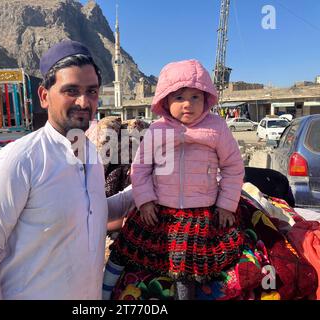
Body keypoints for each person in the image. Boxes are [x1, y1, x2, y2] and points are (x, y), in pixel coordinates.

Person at [0, 40, 134, 300]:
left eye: (92, 91)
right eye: (71, 90)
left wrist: (143, 187)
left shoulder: (89, 156)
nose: (84, 102)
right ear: (44, 96)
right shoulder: (20, 159)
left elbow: (92, 212)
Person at [103, 60, 245, 300]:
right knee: (124, 245)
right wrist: (145, 201)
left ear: (207, 98)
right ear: (165, 100)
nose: (187, 104)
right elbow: (140, 168)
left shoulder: (217, 128)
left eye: (195, 97)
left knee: (184, 265)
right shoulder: (157, 130)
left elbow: (233, 167)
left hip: (200, 211)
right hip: (158, 209)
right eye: (179, 97)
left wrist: (225, 204)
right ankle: (101, 293)